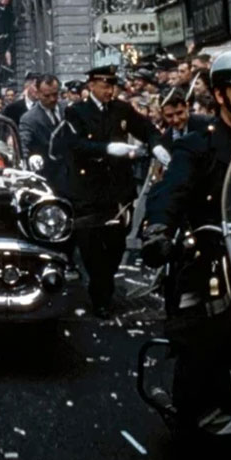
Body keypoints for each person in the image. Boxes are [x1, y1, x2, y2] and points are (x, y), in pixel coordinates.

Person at [142, 49, 231, 424]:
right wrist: (159, 229)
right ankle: (190, 415)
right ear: (218, 94)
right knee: (201, 337)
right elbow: (171, 191)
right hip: (216, 258)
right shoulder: (198, 145)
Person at [63, 64, 169, 318]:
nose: (109, 90)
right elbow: (75, 145)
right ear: (91, 86)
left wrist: (156, 146)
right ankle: (101, 296)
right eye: (104, 85)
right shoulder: (76, 112)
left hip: (117, 192)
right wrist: (107, 149)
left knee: (115, 245)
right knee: (90, 247)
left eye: (112, 85)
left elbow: (146, 129)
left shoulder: (121, 109)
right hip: (89, 190)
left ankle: (104, 286)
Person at [19, 75, 62, 184]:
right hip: (47, 176)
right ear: (37, 93)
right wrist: (30, 158)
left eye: (55, 94)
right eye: (47, 96)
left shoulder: (68, 110)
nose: (52, 99)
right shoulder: (29, 119)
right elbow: (23, 144)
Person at [159, 87, 212, 154]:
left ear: (187, 107)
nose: (176, 120)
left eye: (179, 113)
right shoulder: (165, 139)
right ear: (162, 114)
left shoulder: (206, 124)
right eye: (169, 116)